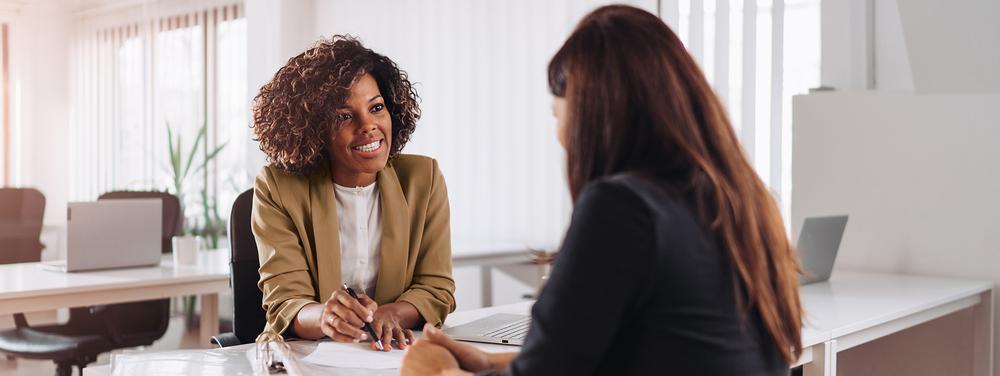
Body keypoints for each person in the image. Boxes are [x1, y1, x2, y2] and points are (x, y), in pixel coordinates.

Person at [401, 5, 802, 375]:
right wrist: (490, 361)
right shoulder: (741, 201)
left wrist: (435, 368)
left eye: (558, 114)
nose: (560, 136)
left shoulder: (622, 208)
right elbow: (641, 353)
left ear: (592, 114)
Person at [251, 35, 455, 352]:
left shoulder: (423, 179)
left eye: (376, 108)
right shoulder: (278, 187)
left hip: (391, 355)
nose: (368, 125)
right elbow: (285, 301)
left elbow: (436, 287)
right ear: (314, 128)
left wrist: (392, 313)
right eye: (344, 115)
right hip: (307, 357)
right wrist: (325, 317)